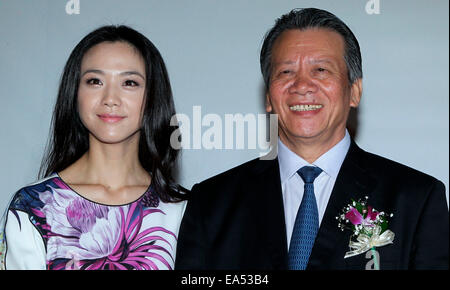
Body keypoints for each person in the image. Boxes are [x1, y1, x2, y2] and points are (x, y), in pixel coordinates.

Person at [175, 8, 449, 270]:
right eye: (286, 72)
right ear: (269, 97)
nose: (302, 86)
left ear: (354, 91)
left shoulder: (416, 199)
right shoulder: (212, 203)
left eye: (321, 70)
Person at [0, 25, 188, 270]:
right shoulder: (33, 207)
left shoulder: (183, 210)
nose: (110, 98)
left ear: (153, 96)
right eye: (95, 81)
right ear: (75, 93)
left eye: (129, 82)